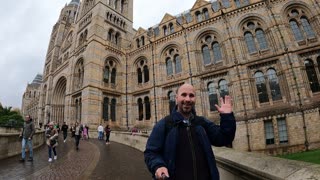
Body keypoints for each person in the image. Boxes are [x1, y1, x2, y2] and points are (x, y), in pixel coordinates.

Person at [144, 83, 236, 180]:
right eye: (183, 95)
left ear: (195, 98)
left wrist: (227, 117)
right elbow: (151, 152)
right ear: (176, 98)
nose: (187, 99)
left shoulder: (202, 123)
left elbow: (224, 138)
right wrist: (158, 166)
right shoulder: (164, 125)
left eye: (191, 95)